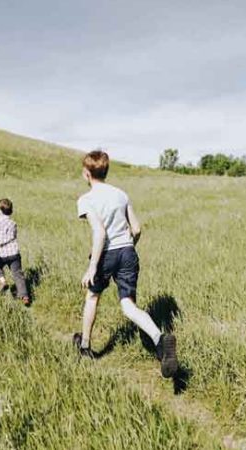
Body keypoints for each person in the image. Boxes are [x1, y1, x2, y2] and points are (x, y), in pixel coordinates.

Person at [72, 150, 177, 378]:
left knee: (92, 296)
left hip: (106, 253)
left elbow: (99, 233)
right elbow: (137, 229)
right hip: (128, 251)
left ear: (86, 173)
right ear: (106, 171)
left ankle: (85, 346)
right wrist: (128, 248)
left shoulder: (86, 199)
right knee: (128, 305)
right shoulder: (121, 194)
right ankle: (160, 339)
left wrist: (92, 267)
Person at [0, 198, 30, 306]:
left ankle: (3, 281)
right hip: (14, 254)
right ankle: (25, 296)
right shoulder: (13, 223)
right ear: (11, 212)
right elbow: (14, 236)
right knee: (18, 275)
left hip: (2, 255)